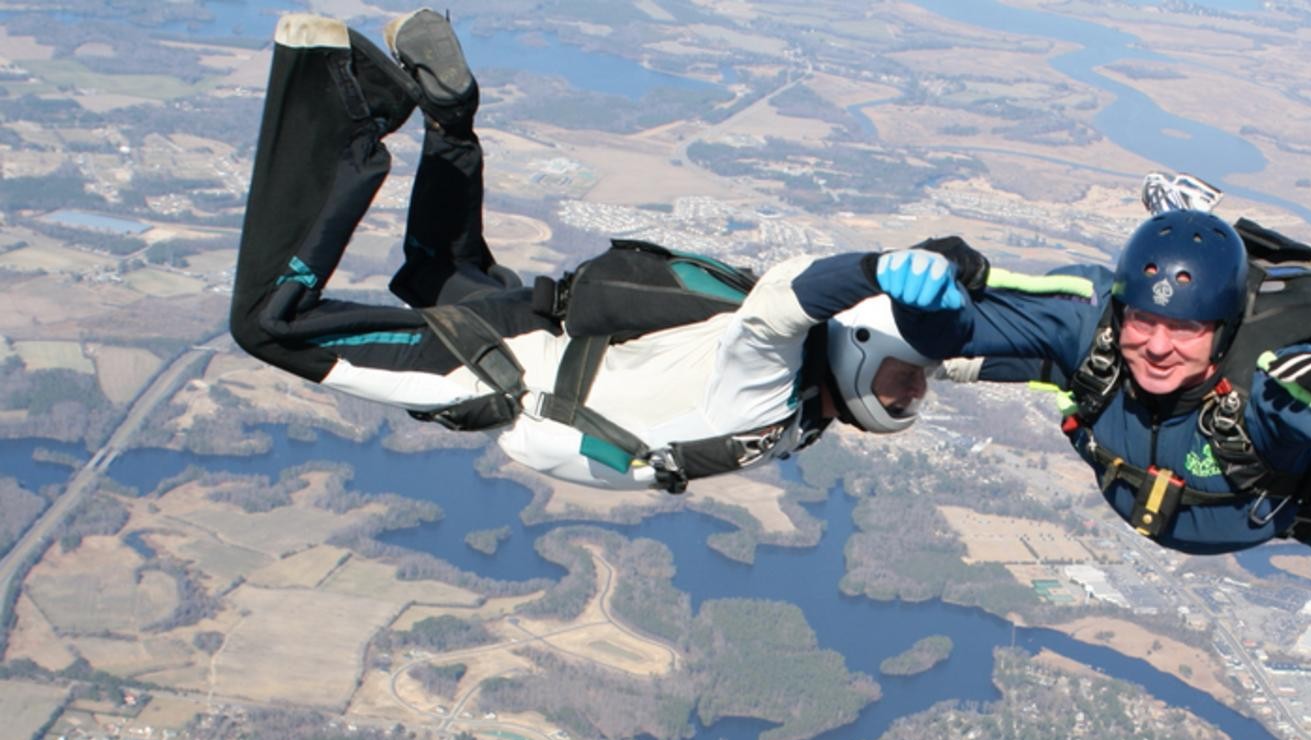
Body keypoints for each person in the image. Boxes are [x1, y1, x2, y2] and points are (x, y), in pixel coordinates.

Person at [231, 12, 948, 495]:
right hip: (502, 371)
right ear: (855, 339)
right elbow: (791, 296)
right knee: (267, 323)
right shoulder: (769, 381)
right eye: (909, 376)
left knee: (436, 273)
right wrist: (880, 267)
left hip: (542, 332)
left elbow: (976, 345)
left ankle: (451, 118)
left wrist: (1052, 347)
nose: (917, 392)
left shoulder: (807, 410)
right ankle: (342, 96)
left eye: (917, 379)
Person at [871, 209, 1311, 579]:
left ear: (1223, 330)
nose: (1157, 346)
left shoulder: (1264, 386)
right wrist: (925, 314)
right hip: (1131, 439)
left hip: (1278, 509)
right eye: (1143, 321)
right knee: (1027, 356)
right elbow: (969, 322)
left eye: (1185, 328)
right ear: (1122, 309)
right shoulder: (1093, 327)